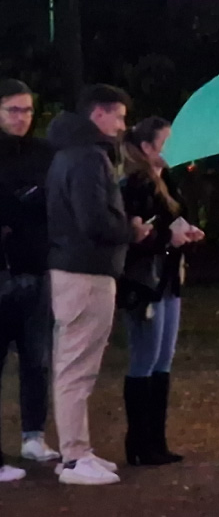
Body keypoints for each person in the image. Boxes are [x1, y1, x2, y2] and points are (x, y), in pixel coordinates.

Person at [47, 84, 152, 486]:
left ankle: (76, 451)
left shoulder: (67, 155)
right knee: (76, 367)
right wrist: (131, 229)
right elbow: (94, 221)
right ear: (99, 114)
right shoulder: (89, 158)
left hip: (75, 269)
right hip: (85, 272)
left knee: (73, 364)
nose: (124, 125)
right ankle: (74, 457)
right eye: (120, 116)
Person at [118, 117, 202, 467]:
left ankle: (155, 440)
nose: (172, 149)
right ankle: (140, 442)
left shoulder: (165, 180)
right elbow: (135, 237)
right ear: (147, 148)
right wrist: (168, 238)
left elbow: (168, 222)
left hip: (166, 278)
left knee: (162, 358)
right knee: (146, 357)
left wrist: (183, 232)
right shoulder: (134, 185)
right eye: (166, 142)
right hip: (145, 282)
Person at [1, 80, 61, 481]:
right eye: (13, 110)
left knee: (36, 358)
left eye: (26, 110)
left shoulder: (45, 153)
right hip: (3, 269)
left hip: (38, 266)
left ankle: (33, 434)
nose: (22, 118)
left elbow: (53, 200)